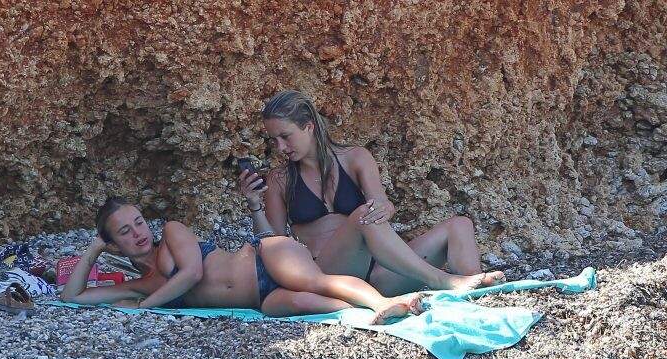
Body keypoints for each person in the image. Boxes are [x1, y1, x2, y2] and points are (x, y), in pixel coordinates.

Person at [238, 90, 505, 296]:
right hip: (326, 273)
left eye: (285, 136)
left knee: (460, 225)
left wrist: (383, 207)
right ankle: (441, 279)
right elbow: (273, 244)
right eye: (274, 140)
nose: (280, 147)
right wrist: (254, 205)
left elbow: (381, 203)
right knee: (361, 216)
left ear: (309, 126)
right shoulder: (281, 179)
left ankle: (474, 284)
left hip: (377, 273)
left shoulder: (355, 157)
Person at [60, 197, 423, 324]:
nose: (138, 233)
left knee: (317, 282)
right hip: (261, 299)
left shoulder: (171, 233)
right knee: (309, 305)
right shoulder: (142, 285)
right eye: (124, 232)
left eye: (139, 222)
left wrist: (145, 307)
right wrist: (93, 251)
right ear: (113, 245)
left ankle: (383, 300)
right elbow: (72, 297)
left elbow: (192, 273)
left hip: (265, 258)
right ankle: (379, 312)